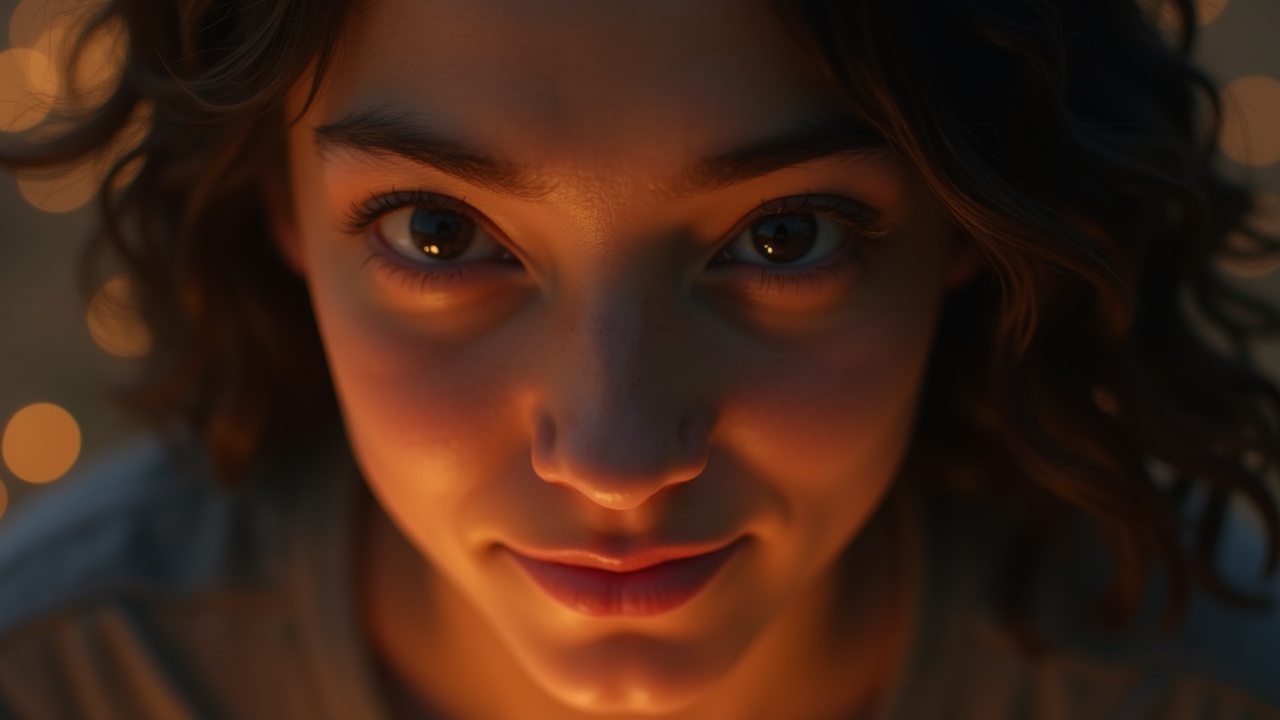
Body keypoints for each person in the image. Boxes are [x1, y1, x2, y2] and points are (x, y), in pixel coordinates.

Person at [0, 0, 1278, 717]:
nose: (613, 460)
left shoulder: (1206, 689)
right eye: (438, 234)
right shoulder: (65, 681)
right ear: (277, 203)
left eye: (784, 238)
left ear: (972, 216)